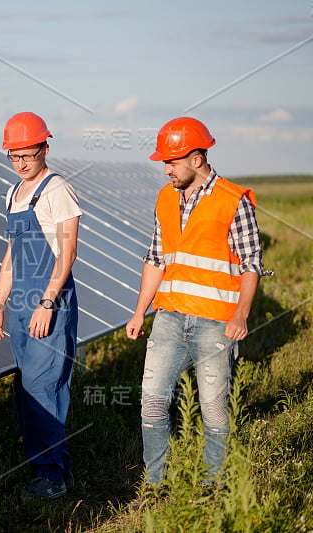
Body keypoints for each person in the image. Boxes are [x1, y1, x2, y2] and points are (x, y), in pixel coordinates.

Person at [125, 117, 264, 487]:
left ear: (198, 158)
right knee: (152, 402)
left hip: (216, 321)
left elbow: (251, 264)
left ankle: (211, 486)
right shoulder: (165, 198)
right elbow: (156, 258)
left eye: (172, 162)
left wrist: (242, 314)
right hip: (169, 317)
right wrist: (140, 311)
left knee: (215, 409)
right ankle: (155, 483)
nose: (166, 169)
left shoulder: (234, 200)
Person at [0, 112, 82, 500]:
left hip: (49, 303)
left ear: (45, 148)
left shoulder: (57, 190)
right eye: (14, 156)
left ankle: (51, 477)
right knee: (30, 389)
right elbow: (12, 254)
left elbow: (68, 252)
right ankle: (58, 470)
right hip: (22, 303)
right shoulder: (14, 193)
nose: (21, 162)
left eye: (28, 154)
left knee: (43, 387)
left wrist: (47, 301)